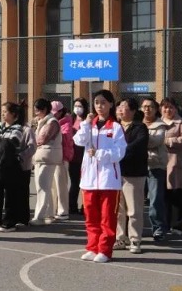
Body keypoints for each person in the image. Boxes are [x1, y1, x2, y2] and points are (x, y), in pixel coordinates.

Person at [74, 89, 127, 263]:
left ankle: (105, 249)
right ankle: (92, 246)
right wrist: (85, 124)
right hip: (89, 179)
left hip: (108, 180)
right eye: (96, 102)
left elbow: (119, 152)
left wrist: (99, 153)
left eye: (103, 102)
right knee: (91, 217)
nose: (99, 106)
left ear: (111, 104)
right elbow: (78, 141)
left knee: (107, 217)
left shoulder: (116, 127)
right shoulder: (89, 125)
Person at [114, 97, 149, 254]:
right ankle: (121, 238)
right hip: (116, 173)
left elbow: (137, 146)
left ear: (133, 111)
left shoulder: (140, 127)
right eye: (119, 106)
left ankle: (135, 240)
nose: (120, 109)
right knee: (119, 209)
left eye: (124, 106)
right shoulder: (115, 127)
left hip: (134, 173)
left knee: (134, 209)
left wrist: (117, 153)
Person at [0, 102, 28, 232]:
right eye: (2, 111)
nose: (2, 114)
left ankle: (9, 222)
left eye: (5, 111)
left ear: (14, 114)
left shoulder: (18, 128)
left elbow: (12, 144)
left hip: (10, 165)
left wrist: (0, 144)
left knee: (10, 194)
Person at [160, 98, 182, 235]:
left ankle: (178, 225)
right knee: (163, 195)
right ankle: (165, 224)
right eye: (165, 107)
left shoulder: (181, 122)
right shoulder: (157, 122)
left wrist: (169, 141)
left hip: (175, 162)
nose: (168, 110)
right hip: (160, 162)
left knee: (176, 194)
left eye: (171, 107)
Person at [30, 98, 63, 226]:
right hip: (41, 157)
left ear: (44, 109)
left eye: (37, 110)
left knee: (42, 186)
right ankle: (49, 214)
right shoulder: (41, 121)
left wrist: (34, 134)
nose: (36, 113)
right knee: (43, 186)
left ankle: (40, 216)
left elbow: (41, 139)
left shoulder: (51, 121)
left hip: (48, 157)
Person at [141, 97, 168, 241]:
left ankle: (158, 229)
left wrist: (140, 137)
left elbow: (155, 141)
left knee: (155, 200)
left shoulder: (160, 125)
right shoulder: (137, 123)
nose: (147, 109)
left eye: (150, 106)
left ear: (156, 109)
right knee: (137, 200)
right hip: (138, 166)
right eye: (144, 106)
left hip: (156, 165)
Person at [51, 101, 73, 220]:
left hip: (62, 157)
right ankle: (54, 208)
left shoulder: (66, 122)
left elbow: (66, 138)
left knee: (61, 185)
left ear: (61, 112)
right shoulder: (54, 122)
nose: (54, 115)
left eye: (55, 113)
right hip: (54, 157)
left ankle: (63, 210)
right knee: (53, 186)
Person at [70, 98, 89, 214]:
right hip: (73, 156)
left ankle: (85, 206)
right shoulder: (71, 120)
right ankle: (71, 206)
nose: (77, 108)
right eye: (76, 105)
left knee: (85, 183)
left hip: (85, 155)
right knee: (74, 182)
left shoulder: (88, 120)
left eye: (80, 106)